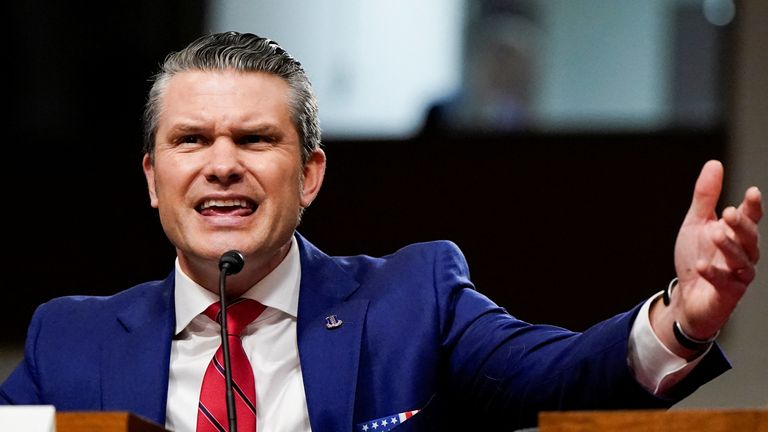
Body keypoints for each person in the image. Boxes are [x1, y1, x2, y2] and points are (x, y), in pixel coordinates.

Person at [0, 31, 762, 432]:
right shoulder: (68, 340)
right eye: (192, 140)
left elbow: (563, 376)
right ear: (151, 178)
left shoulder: (413, 302)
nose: (222, 165)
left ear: (310, 175)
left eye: (256, 140)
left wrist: (679, 322)